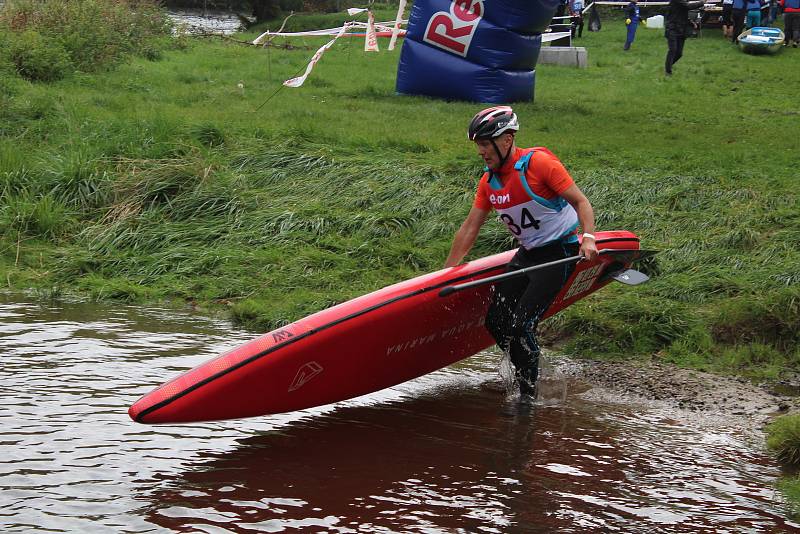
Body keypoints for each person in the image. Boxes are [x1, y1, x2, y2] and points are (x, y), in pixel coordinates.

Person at [444, 107, 598, 400]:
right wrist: (446, 272)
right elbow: (469, 229)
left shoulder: (539, 164)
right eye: (478, 145)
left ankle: (529, 395)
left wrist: (588, 238)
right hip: (527, 255)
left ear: (507, 139)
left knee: (520, 323)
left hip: (560, 252)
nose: (481, 151)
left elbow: (581, 202)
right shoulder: (489, 182)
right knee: (496, 321)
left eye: (486, 144)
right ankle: (532, 371)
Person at [665, 0, 706, 75]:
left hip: (681, 29)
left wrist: (691, 22)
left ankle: (669, 65)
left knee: (679, 53)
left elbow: (682, 13)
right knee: (673, 50)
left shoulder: (682, 2)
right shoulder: (677, 1)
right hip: (672, 28)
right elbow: (688, 6)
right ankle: (668, 71)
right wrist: (702, 2)